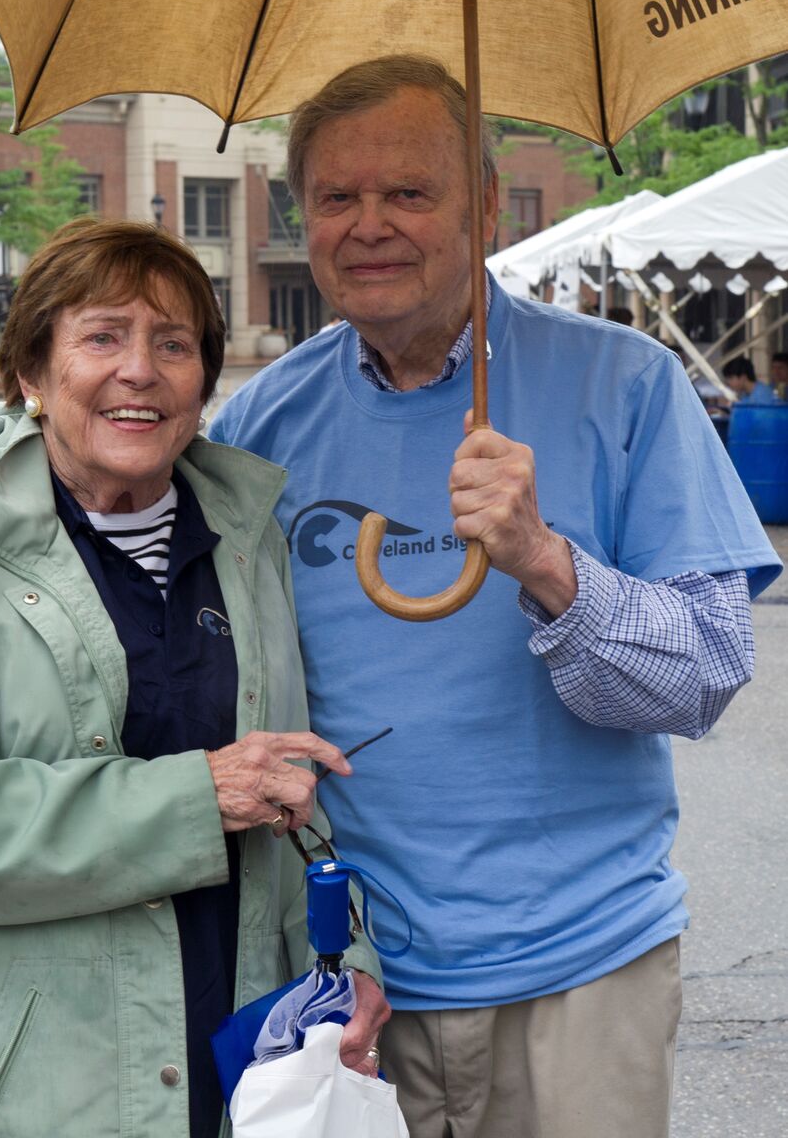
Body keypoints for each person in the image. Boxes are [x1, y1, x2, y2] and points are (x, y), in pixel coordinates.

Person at [209, 55, 781, 1138]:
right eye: (337, 197)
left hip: (581, 975)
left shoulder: (625, 385)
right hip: (353, 979)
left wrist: (544, 561)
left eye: (409, 194)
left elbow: (705, 674)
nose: (368, 224)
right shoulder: (257, 430)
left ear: (480, 206)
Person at [0, 218, 387, 1138]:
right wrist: (193, 798)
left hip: (239, 1037)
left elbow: (291, 785)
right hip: (38, 1072)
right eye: (102, 337)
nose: (140, 370)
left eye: (173, 344)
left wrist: (345, 959)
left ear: (203, 384)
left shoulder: (248, 537)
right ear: (32, 374)